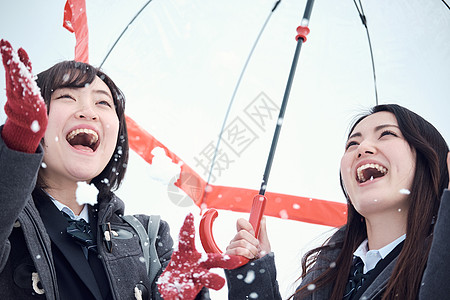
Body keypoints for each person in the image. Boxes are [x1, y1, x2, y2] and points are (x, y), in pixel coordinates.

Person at [0, 39, 213, 299]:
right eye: (66, 96)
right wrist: (19, 140)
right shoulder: (8, 225)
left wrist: (251, 274)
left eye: (103, 103)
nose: (88, 112)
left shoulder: (149, 238)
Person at [224, 103, 450, 299]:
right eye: (352, 144)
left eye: (386, 134)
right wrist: (254, 273)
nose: (362, 148)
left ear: (429, 159)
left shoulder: (440, 262)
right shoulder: (326, 273)